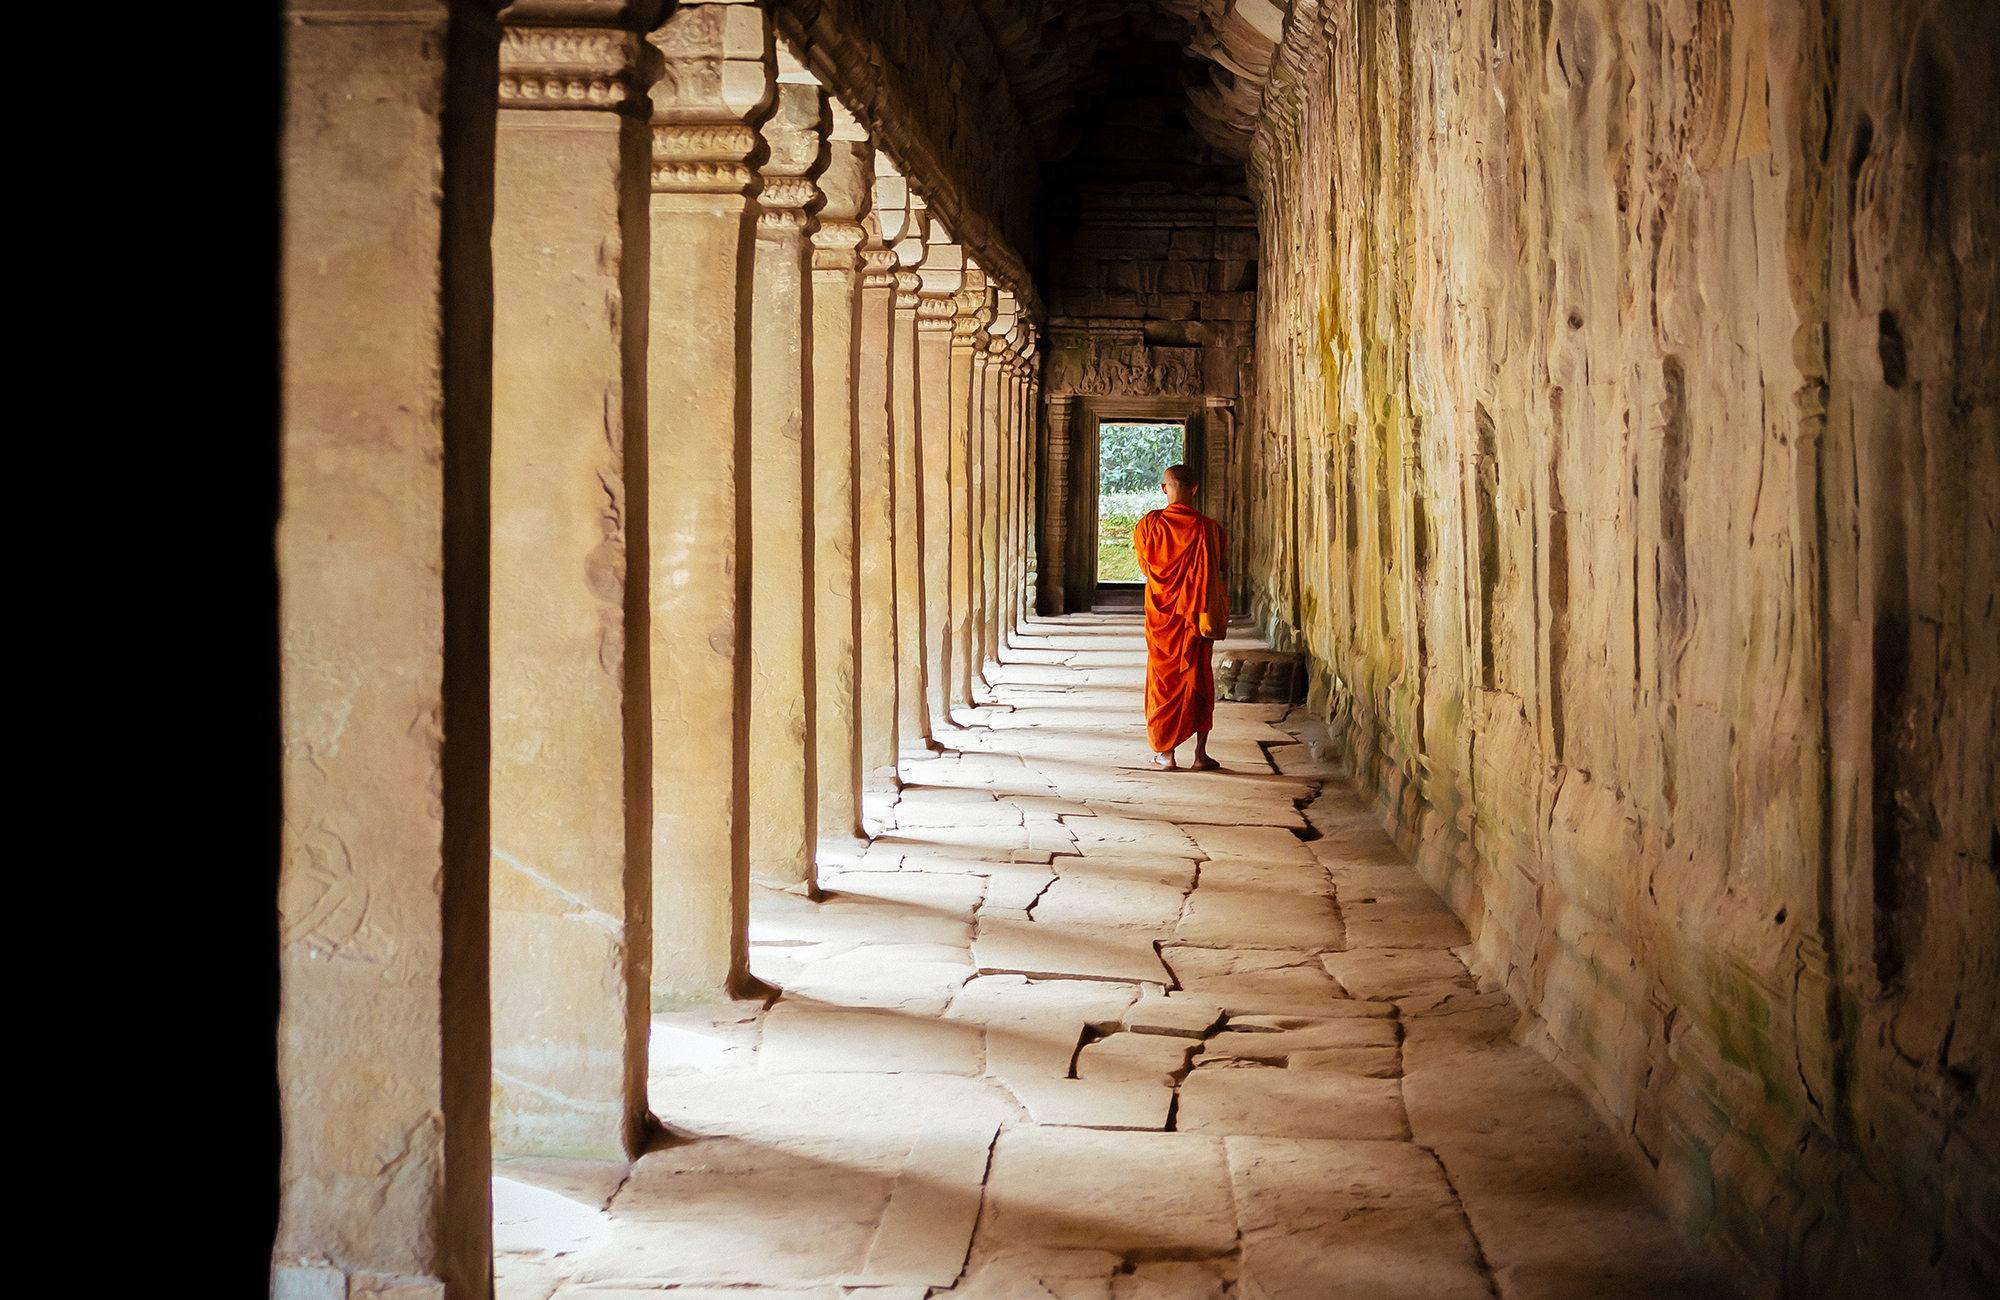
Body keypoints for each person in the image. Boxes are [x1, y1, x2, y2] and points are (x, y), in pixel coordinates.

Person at [1132, 463, 1225, 770]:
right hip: (1194, 620)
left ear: (1164, 489)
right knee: (1198, 680)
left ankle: (1166, 754)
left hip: (1162, 619)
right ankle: (1200, 756)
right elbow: (1219, 565)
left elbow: (1147, 568)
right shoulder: (1209, 529)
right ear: (1195, 489)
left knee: (1163, 682)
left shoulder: (1149, 526)